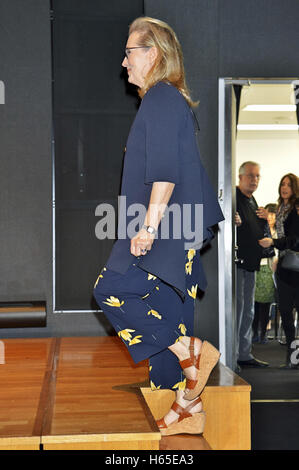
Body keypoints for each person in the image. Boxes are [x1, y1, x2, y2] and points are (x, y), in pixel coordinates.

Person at [93, 17, 224, 436]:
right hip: (177, 227)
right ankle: (188, 405)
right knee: (170, 313)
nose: (123, 62)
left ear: (153, 54)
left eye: (130, 52)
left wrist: (147, 227)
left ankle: (190, 351)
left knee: (110, 288)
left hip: (166, 226)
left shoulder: (161, 98)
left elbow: (165, 172)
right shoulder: (166, 100)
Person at [259, 178, 299, 369]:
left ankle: (295, 358)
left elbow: (294, 239)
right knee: (285, 312)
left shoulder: (296, 209)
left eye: (289, 185)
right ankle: (293, 358)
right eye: (283, 184)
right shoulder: (280, 210)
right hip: (284, 267)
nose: (285, 188)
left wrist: (274, 242)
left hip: (296, 268)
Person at [235, 161, 270, 368]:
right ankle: (233, 355)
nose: (254, 180)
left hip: (252, 263)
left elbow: (254, 230)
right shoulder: (234, 198)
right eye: (250, 176)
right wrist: (234, 221)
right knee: (238, 311)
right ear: (240, 177)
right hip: (238, 264)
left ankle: (244, 353)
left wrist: (265, 219)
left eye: (257, 176)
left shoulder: (253, 201)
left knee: (248, 311)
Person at [252, 203, 277, 344]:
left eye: (274, 214)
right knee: (255, 302)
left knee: (266, 303)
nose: (271, 217)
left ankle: (263, 333)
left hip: (270, 269)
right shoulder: (261, 228)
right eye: (269, 213)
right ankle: (254, 332)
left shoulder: (278, 232)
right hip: (258, 267)